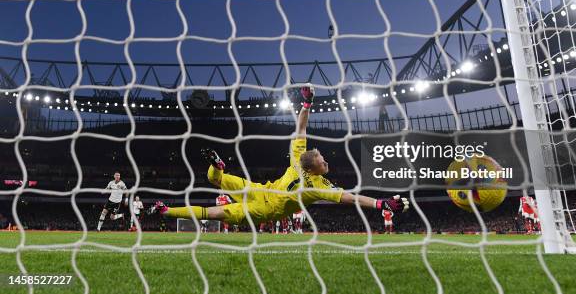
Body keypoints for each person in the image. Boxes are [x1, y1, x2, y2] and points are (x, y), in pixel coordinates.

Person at [149, 86, 409, 225]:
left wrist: (306, 105)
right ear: (314, 166)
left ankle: (176, 202)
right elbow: (350, 198)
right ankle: (167, 210)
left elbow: (301, 128)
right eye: (322, 159)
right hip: (262, 206)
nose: (325, 160)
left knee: (216, 180)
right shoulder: (317, 186)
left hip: (260, 190)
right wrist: (380, 203)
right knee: (215, 212)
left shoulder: (298, 159)